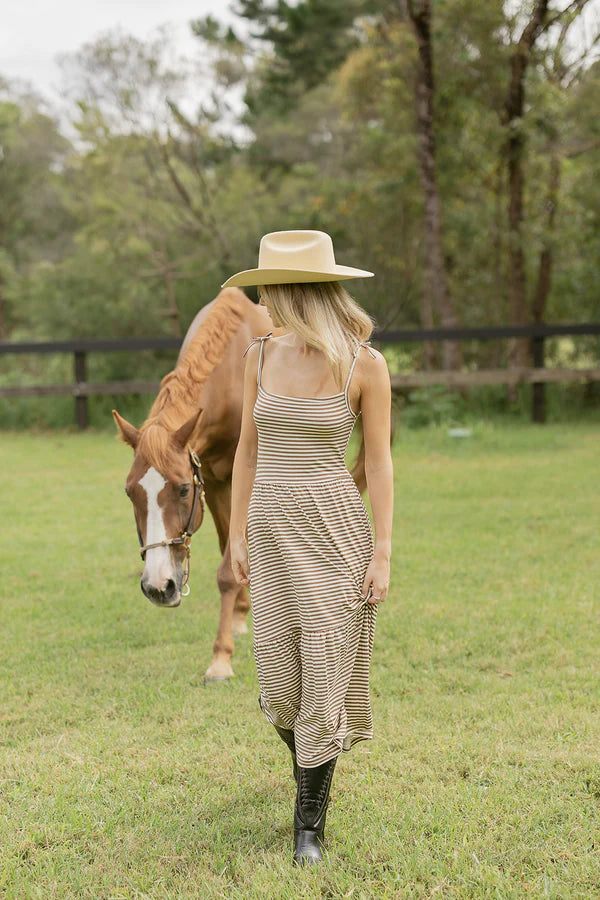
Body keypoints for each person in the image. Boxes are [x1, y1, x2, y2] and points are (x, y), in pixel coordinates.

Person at [227, 230, 393, 866]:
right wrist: (237, 533)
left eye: (271, 287)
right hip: (269, 534)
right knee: (277, 671)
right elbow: (247, 449)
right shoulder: (259, 354)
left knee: (325, 671)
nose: (264, 297)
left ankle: (309, 826)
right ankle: (310, 772)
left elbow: (377, 465)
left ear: (297, 291)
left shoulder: (364, 365)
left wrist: (382, 552)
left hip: (332, 533)